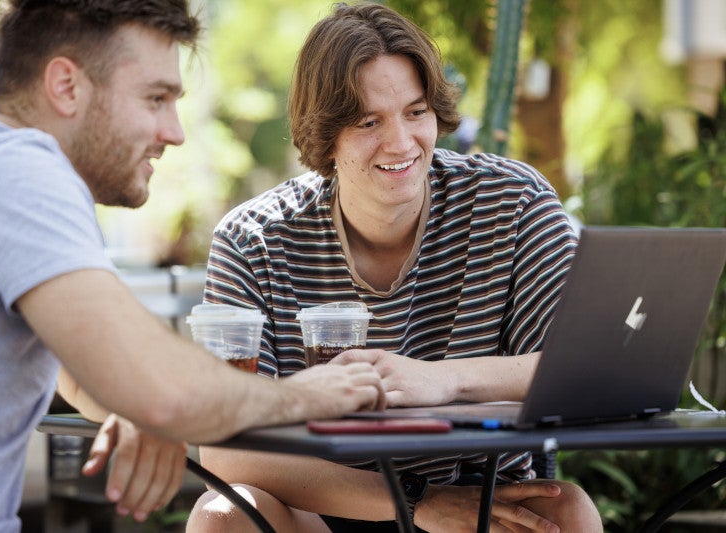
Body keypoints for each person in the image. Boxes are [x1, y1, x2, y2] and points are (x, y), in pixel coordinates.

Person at [0, 2, 386, 532]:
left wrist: (143, 398)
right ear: (66, 86)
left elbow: (84, 371)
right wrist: (307, 394)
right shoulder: (17, 173)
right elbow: (161, 389)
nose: (175, 131)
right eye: (155, 98)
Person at [188, 2, 603, 532]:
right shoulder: (254, 239)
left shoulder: (513, 202)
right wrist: (414, 500)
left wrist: (443, 381)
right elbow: (225, 450)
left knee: (565, 511)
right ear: (325, 135)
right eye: (368, 121)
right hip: (318, 507)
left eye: (416, 112)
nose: (402, 143)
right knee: (223, 515)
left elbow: (583, 368)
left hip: (475, 502)